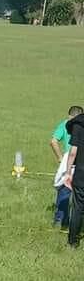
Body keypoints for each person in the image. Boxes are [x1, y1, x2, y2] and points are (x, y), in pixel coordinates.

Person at [50, 105, 82, 228]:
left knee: (64, 191)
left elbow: (53, 141)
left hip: (69, 161)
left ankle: (60, 221)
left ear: (69, 116)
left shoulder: (65, 124)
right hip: (81, 161)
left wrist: (60, 157)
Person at [65, 109, 84, 249]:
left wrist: (67, 172)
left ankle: (73, 241)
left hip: (81, 173)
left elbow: (72, 153)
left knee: (78, 207)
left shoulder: (78, 125)